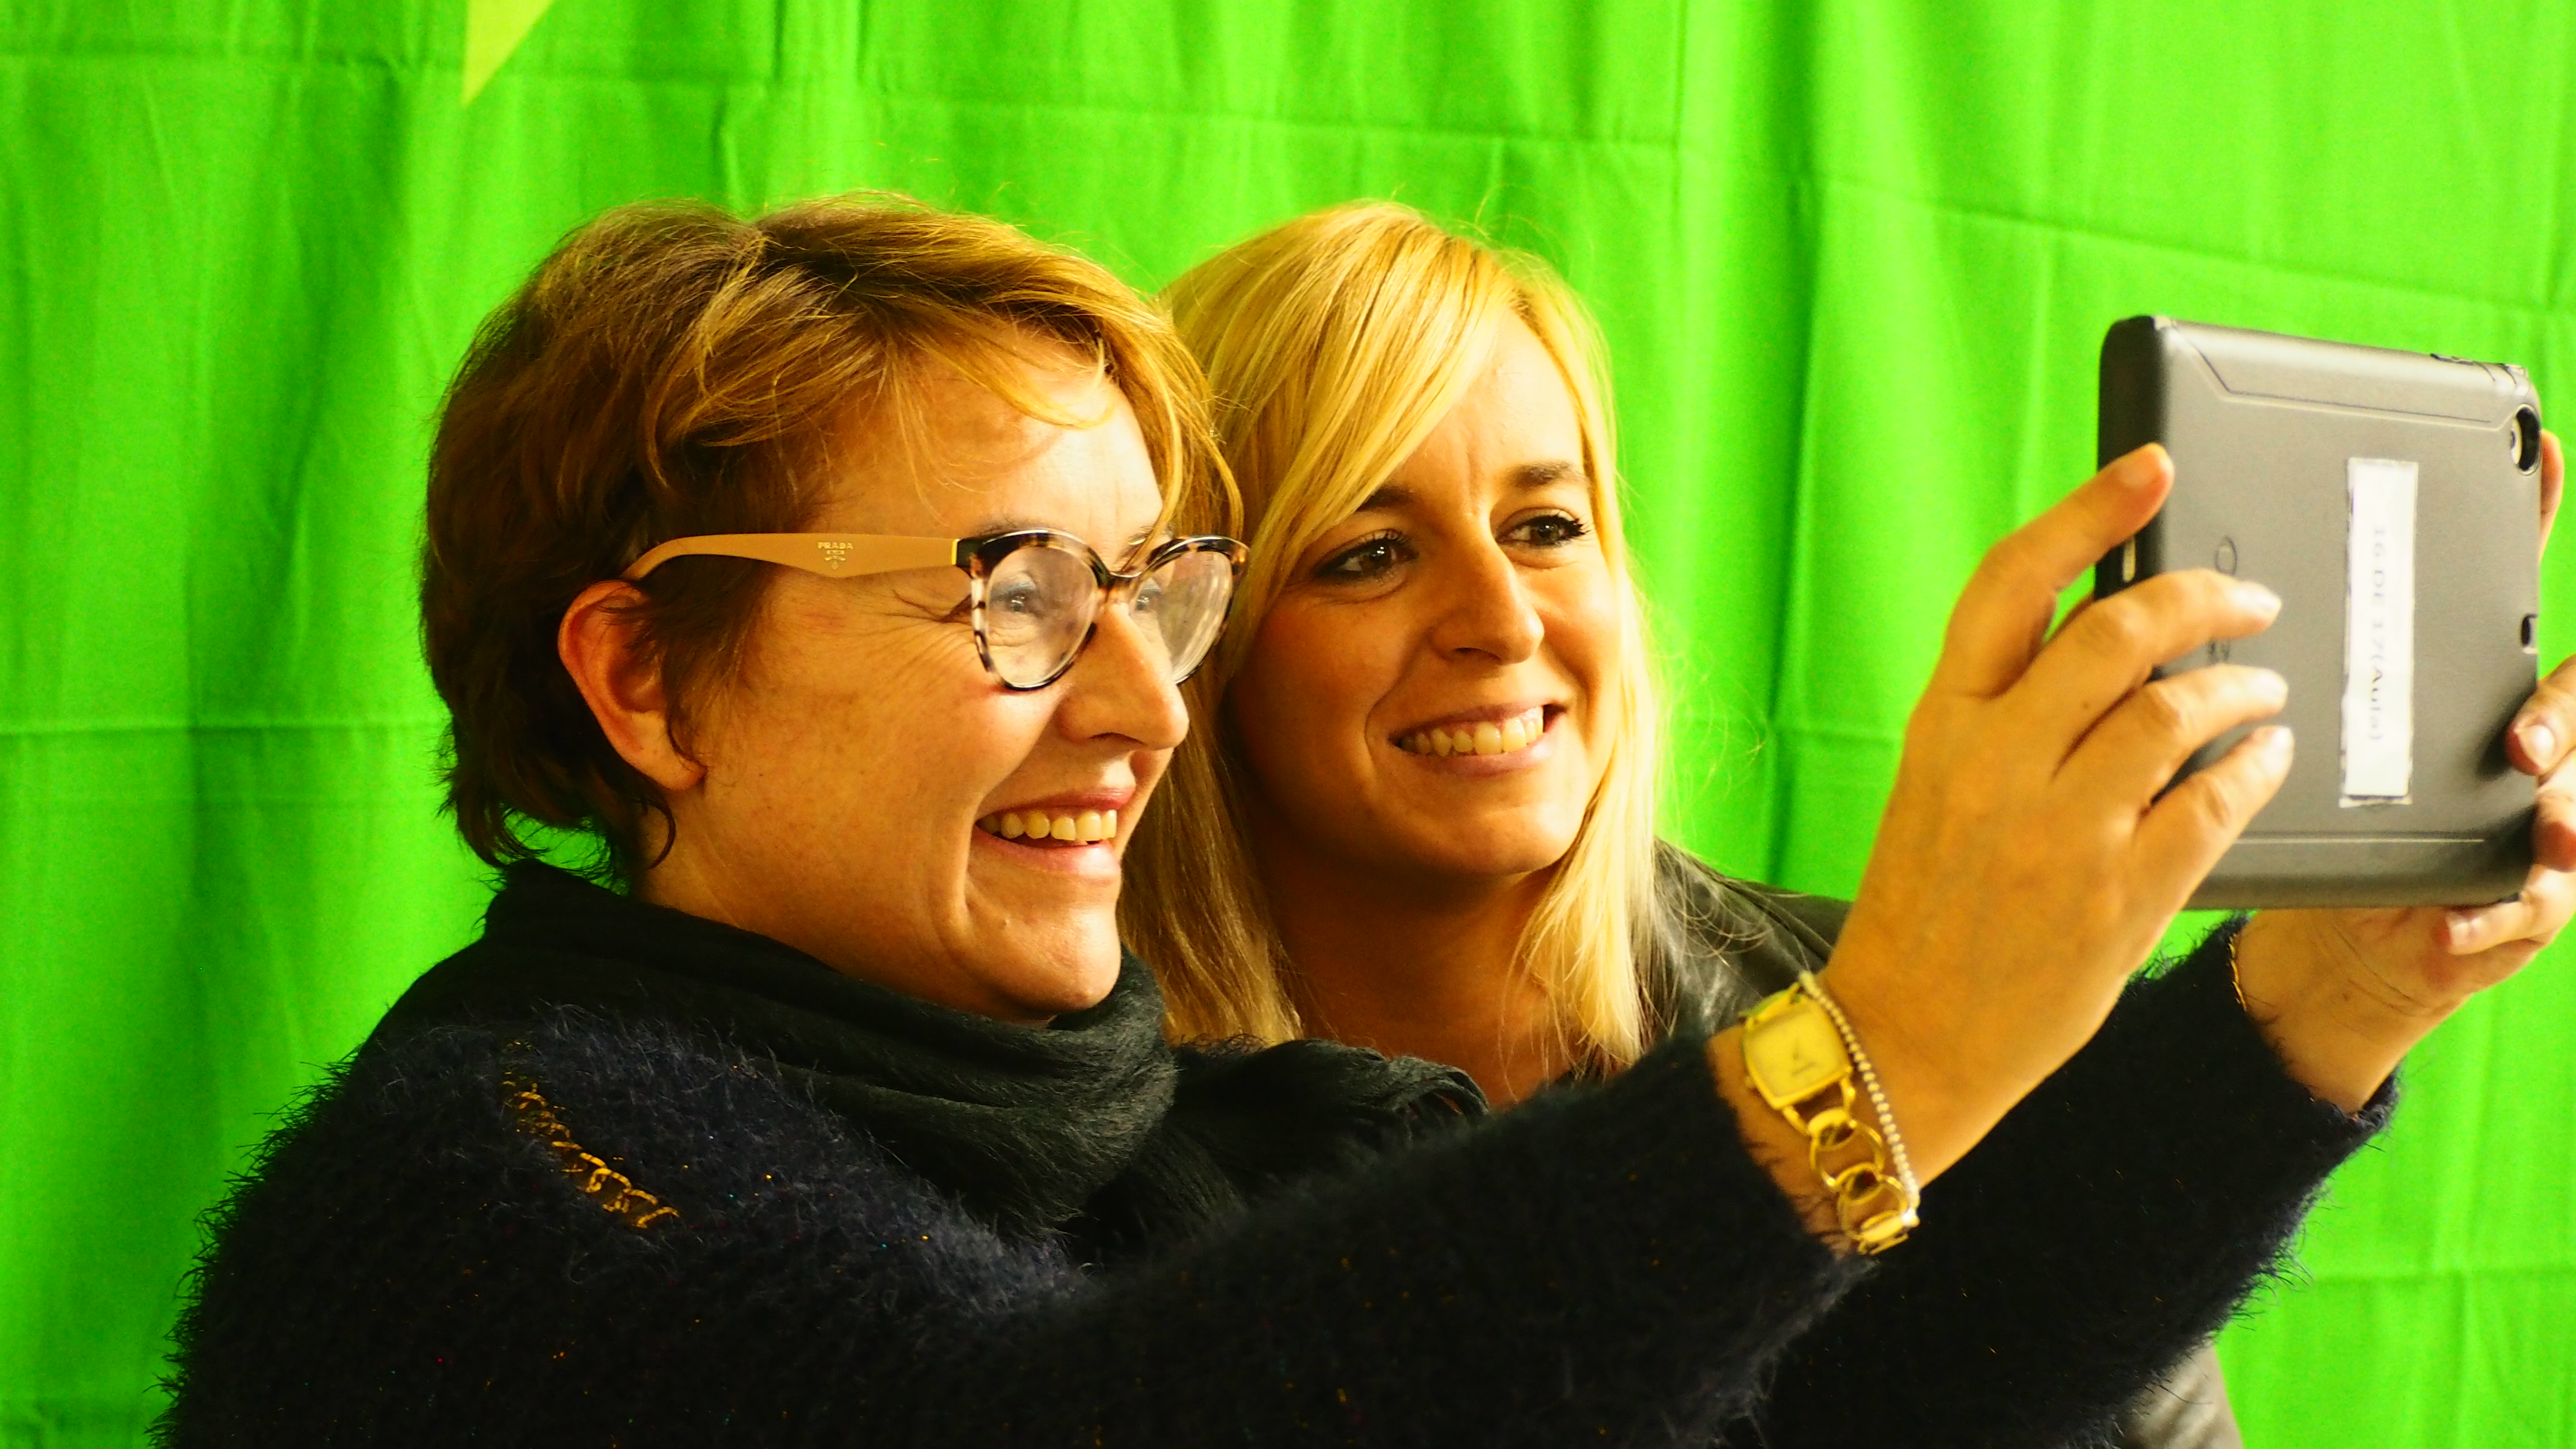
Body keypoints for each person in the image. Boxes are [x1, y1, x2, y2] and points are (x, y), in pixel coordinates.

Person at [162, 194, 2383, 1447]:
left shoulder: (1168, 1126)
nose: (1150, 704)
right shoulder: (482, 1175)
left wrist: (2307, 1009)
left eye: (1159, 593)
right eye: (1013, 594)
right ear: (647, 681)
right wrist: (1889, 1050)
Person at [1122, 201, 2576, 1445]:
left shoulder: (1933, 1013)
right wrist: (1891, 1065)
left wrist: (2343, 991)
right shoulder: (1087, 1152)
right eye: (1369, 554)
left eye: (1548, 526)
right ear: (1195, 637)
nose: (1501, 621)